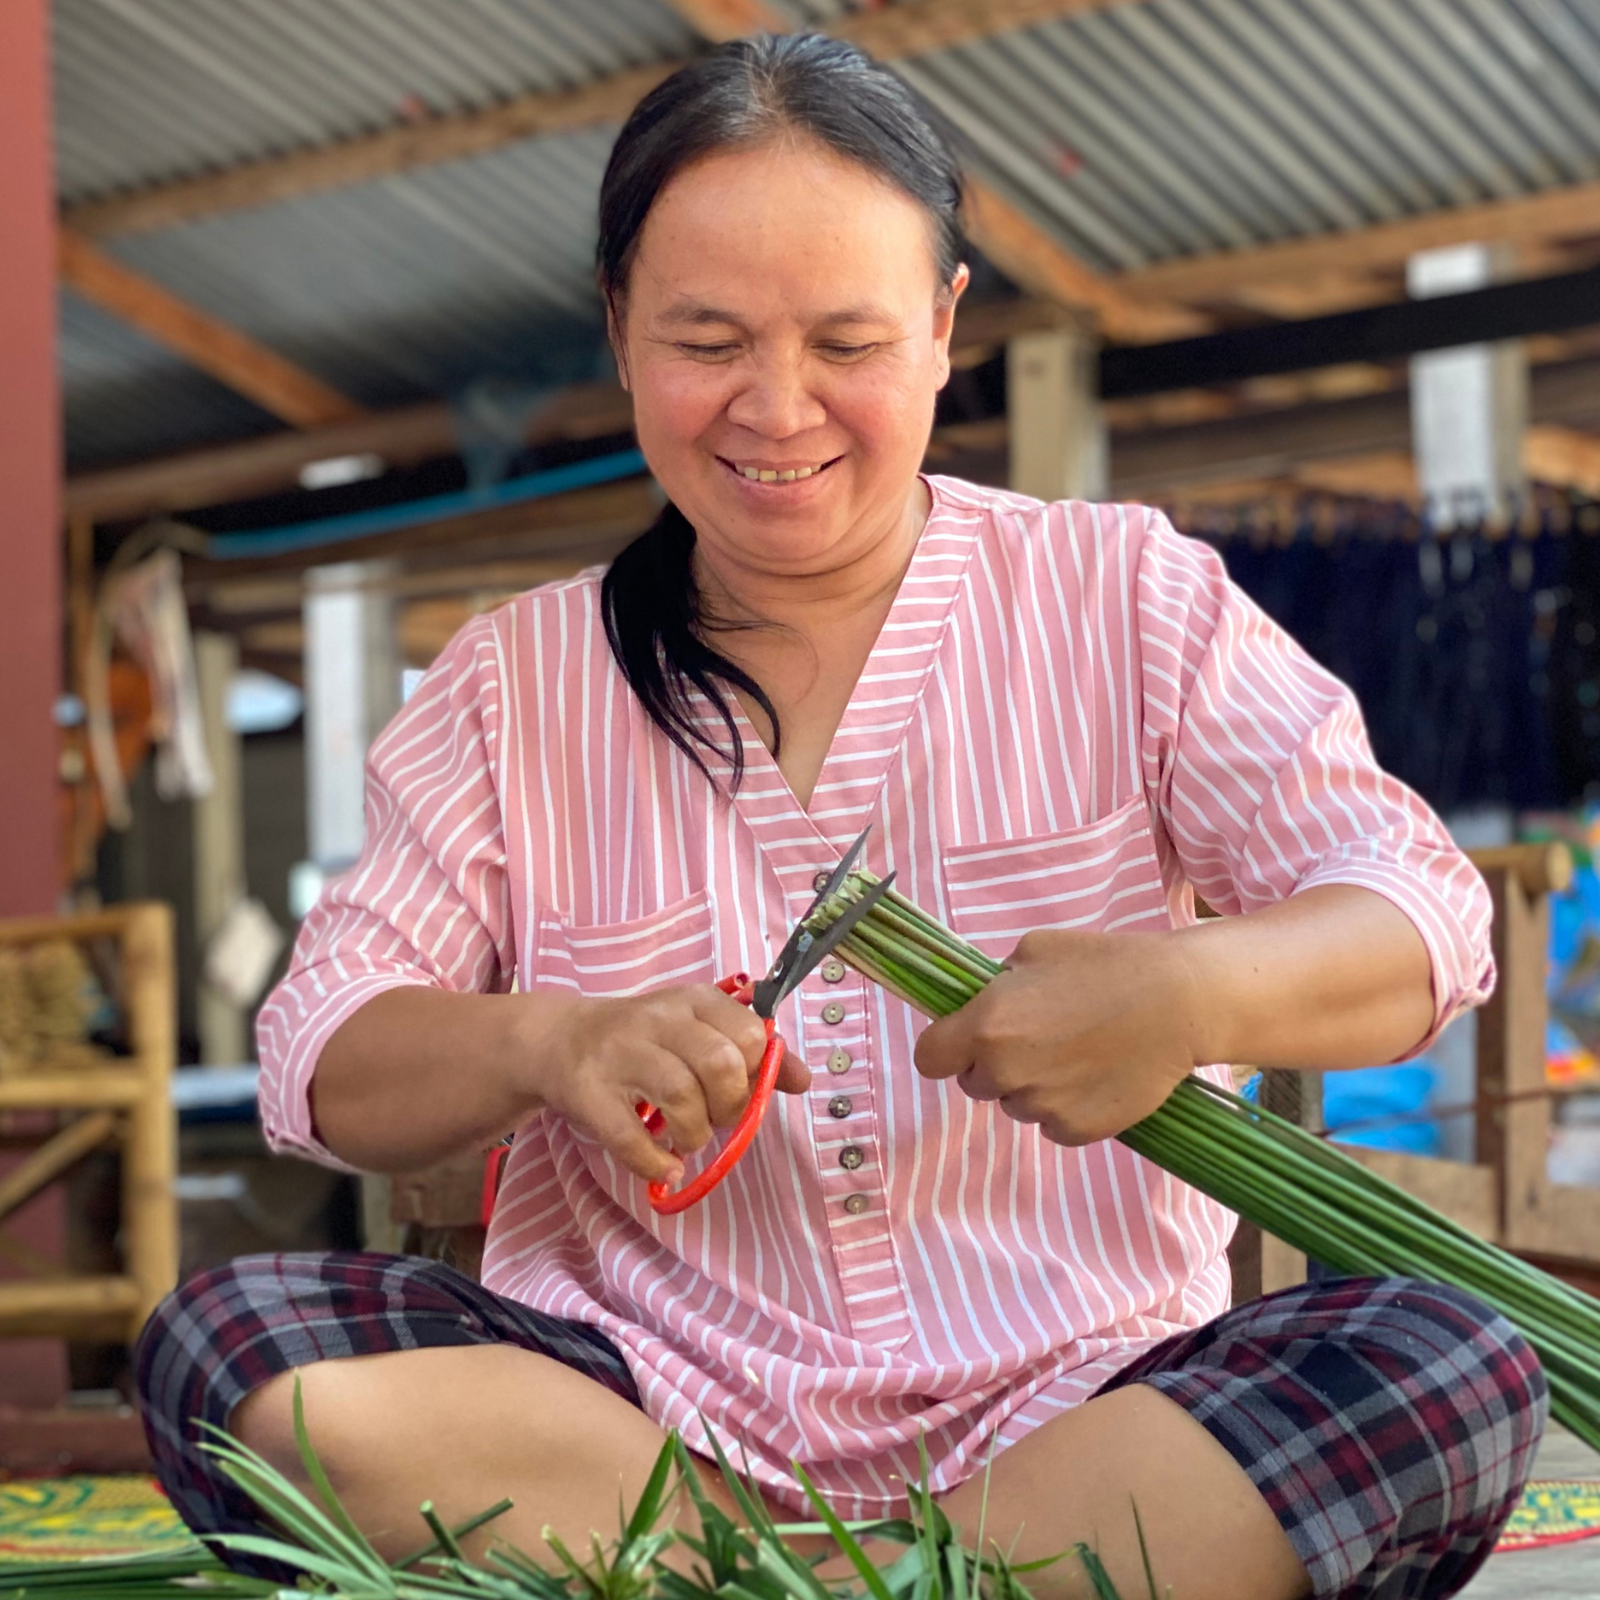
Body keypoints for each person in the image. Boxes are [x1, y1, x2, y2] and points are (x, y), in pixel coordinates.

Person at [137, 34, 1545, 1600]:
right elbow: (321, 1051)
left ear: (944, 329)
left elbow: (1418, 909)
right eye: (708, 338)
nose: (776, 407)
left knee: (1448, 1362)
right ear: (619, 330)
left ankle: (811, 1581)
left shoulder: (1125, 599)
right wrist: (553, 1045)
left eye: (847, 342)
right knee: (229, 1346)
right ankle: (900, 1580)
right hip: (634, 1433)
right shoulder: (509, 684)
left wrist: (1184, 993)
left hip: (1081, 1422)